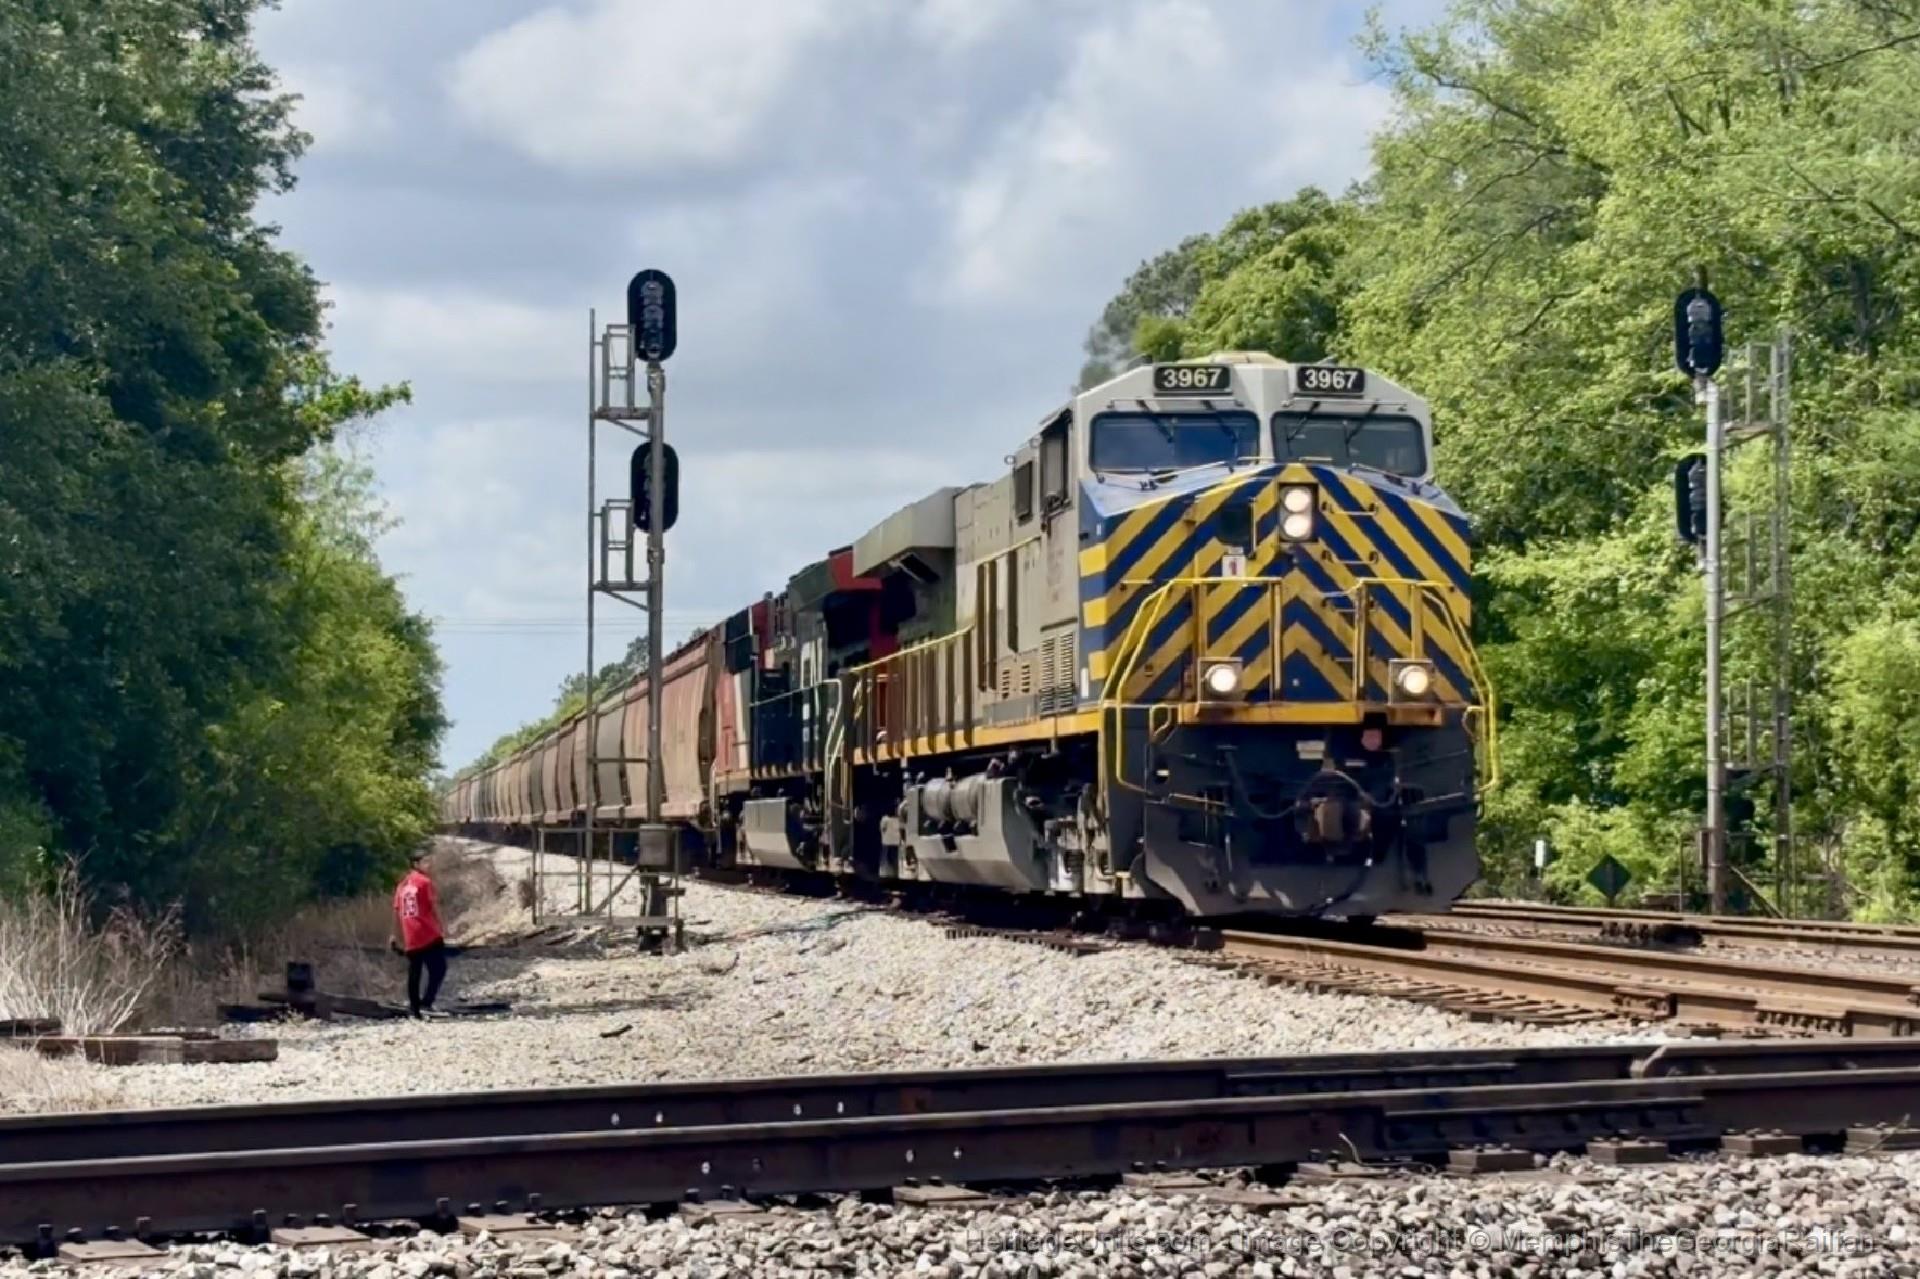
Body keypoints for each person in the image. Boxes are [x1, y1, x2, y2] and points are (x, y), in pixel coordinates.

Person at [390, 849, 447, 1016]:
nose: (429, 865)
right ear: (416, 864)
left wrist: (394, 934)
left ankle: (414, 1008)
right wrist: (442, 926)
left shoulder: (402, 885)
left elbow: (397, 911)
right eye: (425, 862)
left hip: (410, 933)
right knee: (439, 968)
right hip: (428, 931)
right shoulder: (425, 882)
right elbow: (433, 906)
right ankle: (427, 1002)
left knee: (415, 971)